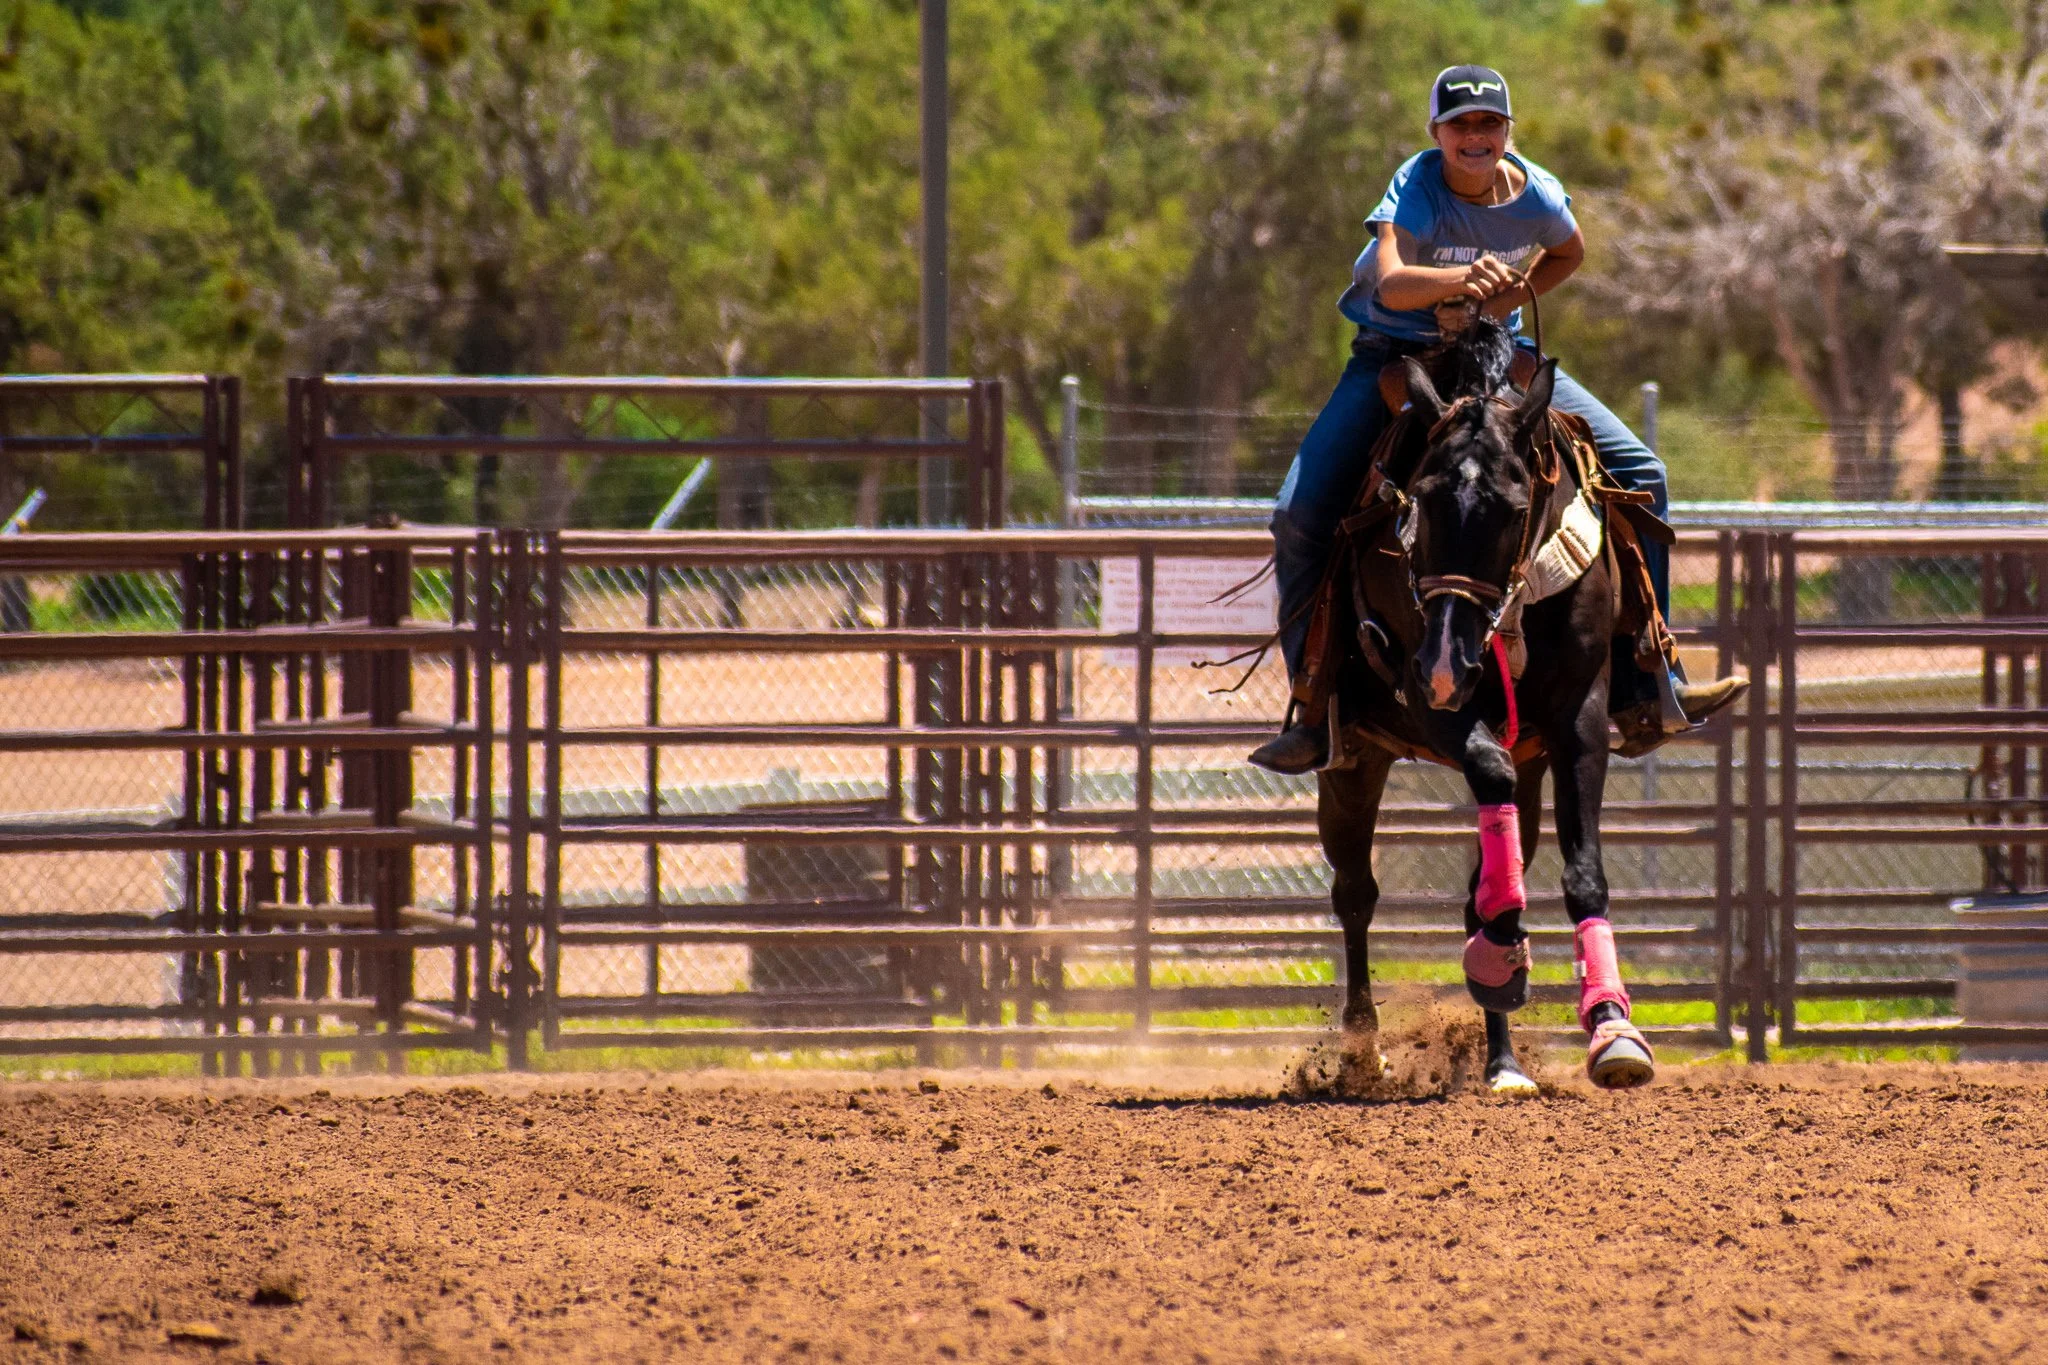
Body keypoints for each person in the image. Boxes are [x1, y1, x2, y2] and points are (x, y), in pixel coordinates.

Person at [1249, 64, 1747, 775]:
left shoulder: (1537, 192)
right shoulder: (1416, 187)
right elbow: (1390, 278)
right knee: (1299, 511)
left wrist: (1511, 289)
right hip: (1393, 353)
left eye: (1490, 124)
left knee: (1642, 471)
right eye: (1461, 125)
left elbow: (1570, 250)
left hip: (1496, 350)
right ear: (1438, 135)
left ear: (1509, 132)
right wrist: (1465, 280)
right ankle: (1314, 702)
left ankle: (1649, 679)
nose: (1475, 137)